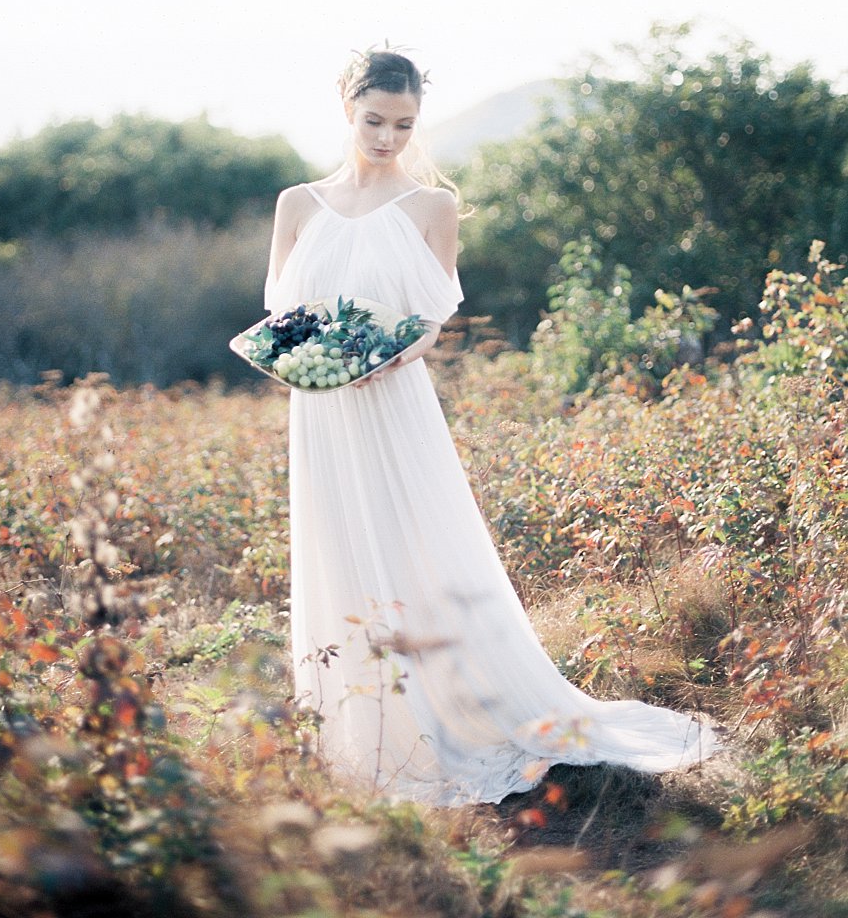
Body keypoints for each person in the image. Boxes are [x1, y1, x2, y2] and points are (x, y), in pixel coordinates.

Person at [264, 48, 717, 806]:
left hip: (392, 398)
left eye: (403, 125)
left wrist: (388, 356)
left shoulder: (431, 206)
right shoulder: (297, 204)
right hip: (319, 410)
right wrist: (291, 359)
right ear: (347, 108)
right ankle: (359, 725)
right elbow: (282, 315)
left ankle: (453, 711)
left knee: (422, 549)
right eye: (374, 120)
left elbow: (431, 325)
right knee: (338, 544)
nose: (387, 137)